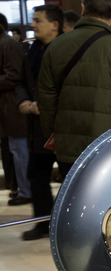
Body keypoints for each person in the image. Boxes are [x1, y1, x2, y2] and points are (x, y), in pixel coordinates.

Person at [38, 0, 111, 181]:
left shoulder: (56, 47)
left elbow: (46, 99)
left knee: (74, 200)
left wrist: (56, 135)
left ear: (83, 9)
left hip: (68, 144)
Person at [15, 4, 62, 239]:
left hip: (64, 127)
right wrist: (24, 100)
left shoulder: (66, 49)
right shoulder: (33, 50)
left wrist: (42, 106)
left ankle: (67, 227)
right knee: (37, 175)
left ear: (54, 25)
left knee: (71, 178)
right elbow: (21, 80)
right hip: (38, 127)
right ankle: (43, 222)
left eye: (37, 20)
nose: (32, 25)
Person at [0, 13, 30, 206]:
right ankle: (22, 188)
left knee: (19, 150)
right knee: (14, 149)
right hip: (7, 105)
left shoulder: (8, 44)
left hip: (13, 105)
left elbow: (13, 75)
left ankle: (26, 191)